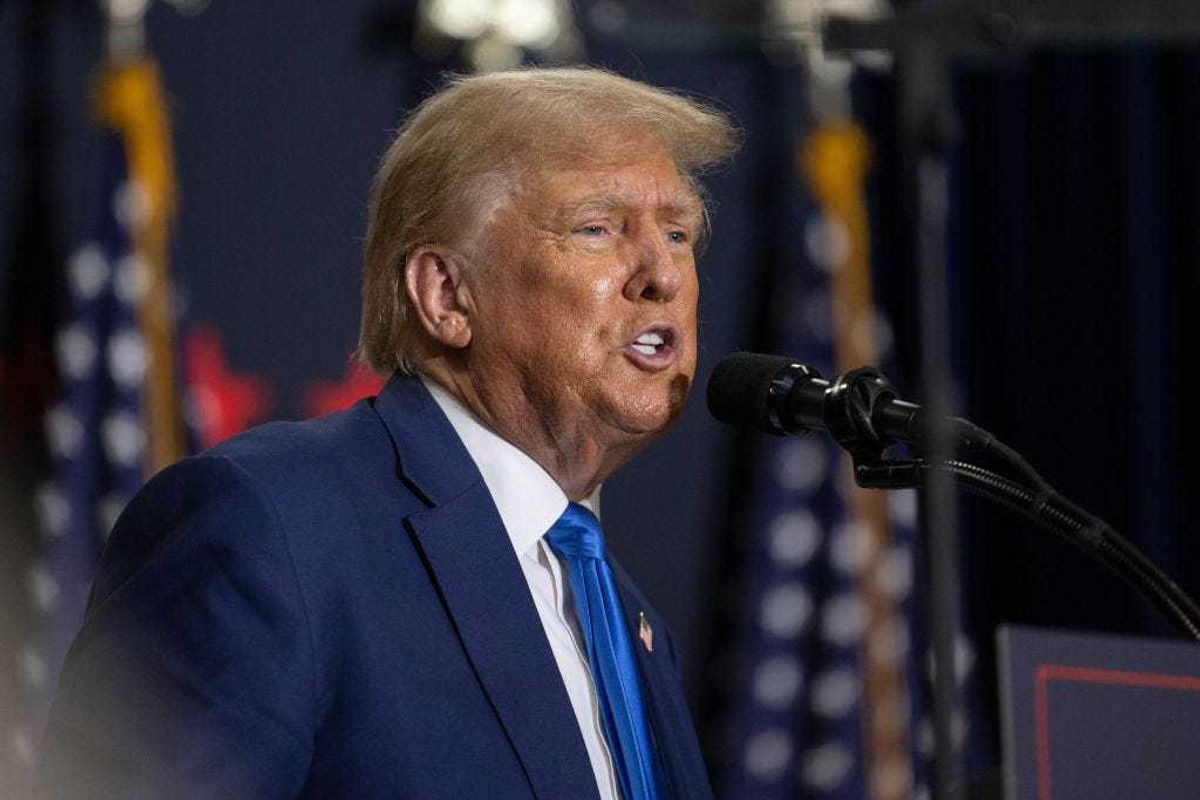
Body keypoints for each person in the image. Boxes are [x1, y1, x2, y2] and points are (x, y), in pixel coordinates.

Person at [36, 67, 737, 799]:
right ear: (446, 295)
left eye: (678, 233)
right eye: (597, 229)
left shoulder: (624, 620)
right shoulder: (267, 532)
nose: (664, 275)